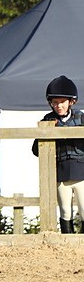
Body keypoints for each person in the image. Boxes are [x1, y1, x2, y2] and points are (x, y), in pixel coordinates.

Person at [32, 75, 84, 233]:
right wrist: (47, 131)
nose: (58, 106)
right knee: (65, 212)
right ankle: (66, 244)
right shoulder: (47, 120)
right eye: (55, 102)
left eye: (62, 102)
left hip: (82, 173)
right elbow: (36, 150)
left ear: (71, 102)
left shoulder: (82, 118)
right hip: (61, 174)